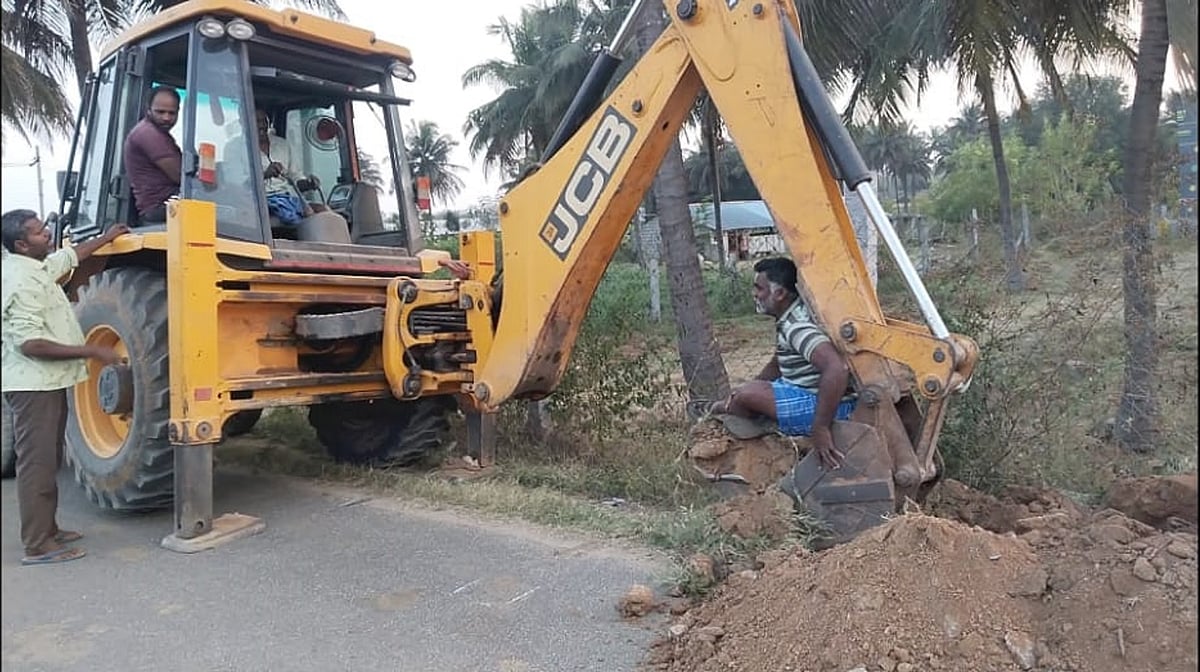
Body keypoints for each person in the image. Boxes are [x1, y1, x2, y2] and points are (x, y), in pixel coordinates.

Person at [1, 210, 129, 565]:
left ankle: (48, 529)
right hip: (32, 386)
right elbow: (31, 344)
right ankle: (38, 544)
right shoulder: (20, 281)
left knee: (49, 459)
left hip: (48, 382)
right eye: (40, 232)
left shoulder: (36, 266)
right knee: (38, 465)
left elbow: (69, 257)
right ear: (21, 244)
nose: (48, 234)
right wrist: (93, 350)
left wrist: (107, 236)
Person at [708, 257, 857, 470]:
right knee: (743, 394)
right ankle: (745, 414)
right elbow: (778, 364)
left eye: (759, 288)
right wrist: (744, 391)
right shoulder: (791, 317)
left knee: (744, 397)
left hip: (828, 406)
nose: (754, 294)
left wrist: (821, 427)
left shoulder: (797, 328)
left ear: (779, 294)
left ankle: (764, 445)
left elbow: (836, 368)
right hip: (805, 392)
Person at [124, 86, 183, 223]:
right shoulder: (148, 134)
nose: (166, 118)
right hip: (160, 208)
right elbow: (181, 176)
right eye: (160, 112)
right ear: (148, 110)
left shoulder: (160, 134)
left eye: (172, 113)